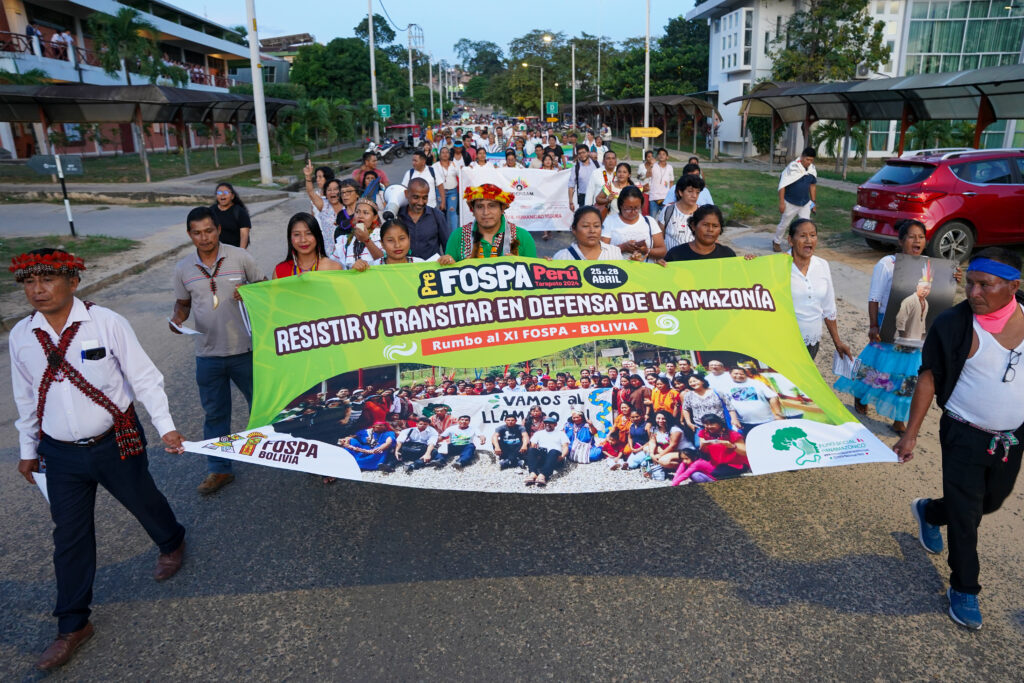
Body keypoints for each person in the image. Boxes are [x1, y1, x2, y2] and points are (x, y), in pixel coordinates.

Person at [9, 249, 188, 671]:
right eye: (30, 283)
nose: (38, 290)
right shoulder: (21, 335)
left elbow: (144, 377)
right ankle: (72, 625)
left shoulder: (106, 322)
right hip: (59, 454)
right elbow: (25, 396)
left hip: (115, 441)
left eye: (48, 280)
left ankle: (171, 540)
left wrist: (165, 427)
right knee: (69, 538)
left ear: (73, 282)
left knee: (143, 500)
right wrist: (27, 450)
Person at [894, 248, 1024, 631]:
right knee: (967, 517)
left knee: (991, 502)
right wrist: (910, 436)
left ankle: (930, 512)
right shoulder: (952, 324)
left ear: (1013, 286)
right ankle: (964, 587)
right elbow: (929, 378)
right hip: (964, 434)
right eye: (970, 282)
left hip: (1011, 438)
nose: (974, 291)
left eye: (986, 285)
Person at [170, 207, 265, 494]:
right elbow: (183, 304)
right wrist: (177, 320)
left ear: (219, 230)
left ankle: (288, 455)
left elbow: (265, 288)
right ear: (189, 235)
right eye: (197, 232)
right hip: (207, 355)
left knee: (263, 407)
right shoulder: (183, 268)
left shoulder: (240, 257)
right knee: (215, 415)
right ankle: (219, 469)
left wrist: (250, 294)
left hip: (245, 351)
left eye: (209, 230)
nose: (204, 237)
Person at [836, 220, 939, 434]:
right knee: (878, 364)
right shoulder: (887, 264)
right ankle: (861, 394)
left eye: (921, 236)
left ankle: (899, 418)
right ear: (901, 241)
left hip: (916, 330)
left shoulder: (931, 266)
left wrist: (951, 278)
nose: (917, 240)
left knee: (909, 373)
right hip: (888, 323)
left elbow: (937, 295)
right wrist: (874, 325)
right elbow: (874, 297)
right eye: (911, 236)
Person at [789, 218, 854, 361]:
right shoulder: (778, 265)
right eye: (802, 236)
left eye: (812, 235)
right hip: (785, 342)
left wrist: (837, 342)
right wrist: (751, 263)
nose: (808, 240)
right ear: (790, 240)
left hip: (812, 341)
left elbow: (828, 308)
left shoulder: (822, 265)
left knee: (803, 382)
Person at [441, 183, 537, 262]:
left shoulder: (523, 237)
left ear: (502, 208)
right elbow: (448, 278)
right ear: (473, 210)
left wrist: (547, 266)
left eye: (492, 206)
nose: (486, 212)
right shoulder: (458, 236)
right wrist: (453, 266)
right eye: (479, 207)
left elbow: (534, 275)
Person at [601, 186, 667, 262]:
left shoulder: (649, 222)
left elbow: (662, 251)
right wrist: (622, 248)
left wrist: (646, 250)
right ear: (620, 205)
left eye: (636, 208)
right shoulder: (610, 221)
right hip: (620, 271)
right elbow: (602, 252)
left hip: (645, 271)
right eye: (628, 209)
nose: (632, 212)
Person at [272, 212, 342, 279]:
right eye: (297, 234)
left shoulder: (333, 268)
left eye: (309, 233)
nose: (303, 240)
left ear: (317, 236)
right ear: (290, 238)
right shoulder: (280, 271)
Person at [396, 177, 451, 260]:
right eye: (416, 197)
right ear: (406, 194)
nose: (420, 202)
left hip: (431, 270)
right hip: (405, 270)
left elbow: (448, 246)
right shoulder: (397, 216)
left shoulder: (437, 216)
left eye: (424, 198)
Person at [774, 147, 817, 252]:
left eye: (811, 160)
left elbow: (812, 186)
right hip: (790, 202)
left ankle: (799, 245)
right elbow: (782, 185)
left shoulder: (812, 169)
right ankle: (776, 242)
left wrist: (813, 202)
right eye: (807, 159)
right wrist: (781, 203)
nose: (809, 162)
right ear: (802, 157)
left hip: (805, 202)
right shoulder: (792, 168)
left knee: (805, 226)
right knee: (785, 223)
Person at [721, 366, 784, 436]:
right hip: (745, 423)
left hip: (767, 420)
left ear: (745, 374)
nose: (738, 375)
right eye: (735, 373)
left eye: (741, 374)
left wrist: (778, 414)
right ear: (730, 374)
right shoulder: (725, 387)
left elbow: (773, 397)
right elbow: (728, 405)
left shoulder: (756, 383)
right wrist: (734, 419)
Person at [663, 205, 737, 262]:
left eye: (715, 226)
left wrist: (747, 262)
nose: (710, 230)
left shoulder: (728, 255)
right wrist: (659, 268)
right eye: (705, 225)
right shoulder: (675, 254)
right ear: (693, 226)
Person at [553, 206, 624, 261]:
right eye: (585, 226)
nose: (592, 231)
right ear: (574, 229)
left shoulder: (614, 253)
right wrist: (546, 267)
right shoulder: (562, 257)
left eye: (596, 226)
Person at [658, 175, 705, 250]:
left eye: (697, 192)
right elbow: (659, 240)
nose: (694, 196)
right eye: (690, 191)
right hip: (670, 260)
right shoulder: (668, 211)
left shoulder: (703, 214)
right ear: (680, 192)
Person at [696, 414, 749, 479]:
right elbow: (704, 451)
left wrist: (732, 446)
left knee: (716, 474)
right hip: (716, 464)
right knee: (696, 474)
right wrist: (703, 445)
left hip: (735, 464)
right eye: (706, 424)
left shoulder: (733, 434)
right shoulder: (703, 433)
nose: (709, 426)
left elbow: (744, 452)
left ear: (720, 423)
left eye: (712, 424)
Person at [337, 199, 385, 269]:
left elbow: (384, 261)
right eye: (357, 212)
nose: (360, 216)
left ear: (375, 217)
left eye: (366, 213)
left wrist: (366, 240)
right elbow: (334, 266)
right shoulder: (344, 240)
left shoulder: (382, 235)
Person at [525, 415, 570, 487]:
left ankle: (543, 475)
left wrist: (562, 457)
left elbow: (565, 447)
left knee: (553, 451)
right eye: (546, 423)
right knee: (531, 450)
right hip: (543, 457)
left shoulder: (561, 434)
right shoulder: (539, 433)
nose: (547, 424)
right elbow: (533, 445)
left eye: (550, 423)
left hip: (556, 458)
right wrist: (535, 456)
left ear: (555, 425)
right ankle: (533, 473)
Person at [210, 182, 251, 249]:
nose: (222, 195)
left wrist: (241, 252)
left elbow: (244, 235)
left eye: (226, 192)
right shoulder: (211, 211)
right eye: (219, 193)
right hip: (216, 251)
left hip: (235, 250)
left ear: (232, 196)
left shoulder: (240, 212)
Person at [895, 278, 932, 345]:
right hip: (904, 339)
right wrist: (903, 340)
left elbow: (923, 322)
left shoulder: (926, 303)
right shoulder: (909, 300)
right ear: (917, 287)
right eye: (924, 288)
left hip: (916, 340)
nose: (926, 291)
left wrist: (921, 339)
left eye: (928, 289)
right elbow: (900, 320)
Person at [432, 146, 459, 232]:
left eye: (446, 152)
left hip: (453, 192)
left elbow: (462, 174)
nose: (445, 154)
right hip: (439, 192)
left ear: (449, 154)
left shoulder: (454, 164)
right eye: (442, 152)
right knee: (441, 213)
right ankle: (443, 233)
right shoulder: (435, 166)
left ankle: (454, 234)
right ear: (439, 155)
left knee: (452, 212)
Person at [568, 144, 599, 210]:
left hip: (597, 196)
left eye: (584, 152)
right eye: (579, 153)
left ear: (588, 153)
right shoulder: (576, 168)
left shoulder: (598, 165)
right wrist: (571, 202)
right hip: (583, 197)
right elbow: (571, 186)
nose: (582, 155)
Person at [649, 147, 674, 215]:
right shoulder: (654, 166)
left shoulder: (670, 167)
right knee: (652, 220)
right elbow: (648, 175)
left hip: (666, 199)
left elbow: (671, 181)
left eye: (663, 154)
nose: (661, 156)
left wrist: (671, 196)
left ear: (667, 157)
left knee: (666, 220)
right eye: (659, 154)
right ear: (657, 156)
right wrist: (651, 165)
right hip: (654, 198)